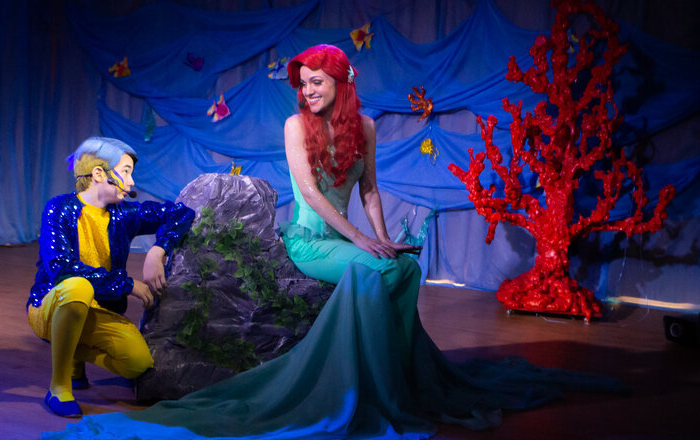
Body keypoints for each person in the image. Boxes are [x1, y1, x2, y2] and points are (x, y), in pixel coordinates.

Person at [44, 46, 621, 440]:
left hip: (350, 234)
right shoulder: (295, 127)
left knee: (404, 270)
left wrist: (384, 238)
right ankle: (361, 388)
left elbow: (370, 189)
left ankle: (400, 375)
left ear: (341, 83)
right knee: (372, 271)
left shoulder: (363, 128)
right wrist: (363, 242)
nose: (308, 90)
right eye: (303, 83)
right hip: (310, 240)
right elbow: (313, 198)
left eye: (317, 82)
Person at [27, 137, 195, 418]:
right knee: (77, 286)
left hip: (96, 309)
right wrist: (127, 284)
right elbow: (62, 269)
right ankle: (59, 386)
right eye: (126, 172)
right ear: (98, 174)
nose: (131, 182)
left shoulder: (123, 214)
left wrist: (158, 250)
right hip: (50, 307)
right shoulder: (58, 209)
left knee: (137, 363)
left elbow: (180, 213)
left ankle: (73, 352)